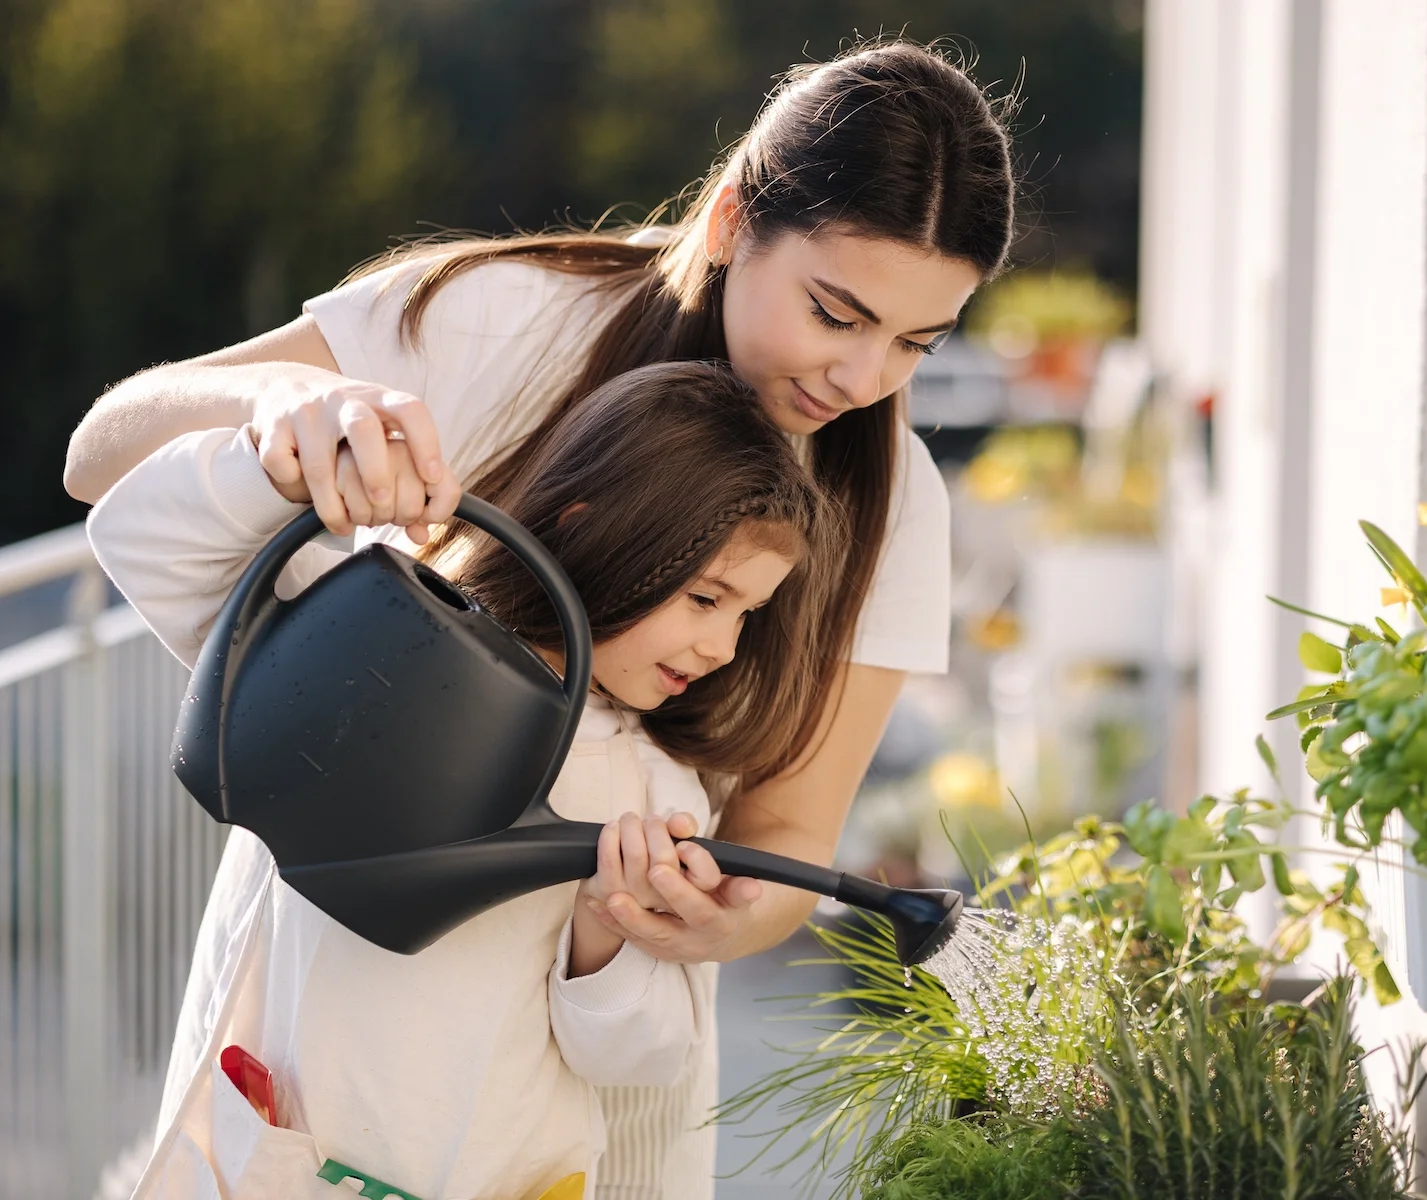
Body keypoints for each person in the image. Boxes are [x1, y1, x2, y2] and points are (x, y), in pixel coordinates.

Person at [66, 36, 1016, 1197]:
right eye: (836, 313)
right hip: (327, 1024)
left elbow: (790, 837)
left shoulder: (893, 505)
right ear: (729, 221)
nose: (862, 379)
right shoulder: (500, 319)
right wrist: (291, 406)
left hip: (574, 1106)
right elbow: (99, 460)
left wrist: (692, 923)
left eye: (916, 343)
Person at [89, 361, 841, 1199]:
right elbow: (136, 535)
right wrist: (276, 455)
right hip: (277, 1156)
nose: (724, 648)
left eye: (748, 614)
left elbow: (643, 1058)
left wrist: (606, 937)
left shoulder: (655, 789)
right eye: (707, 599)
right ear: (601, 527)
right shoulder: (378, 642)